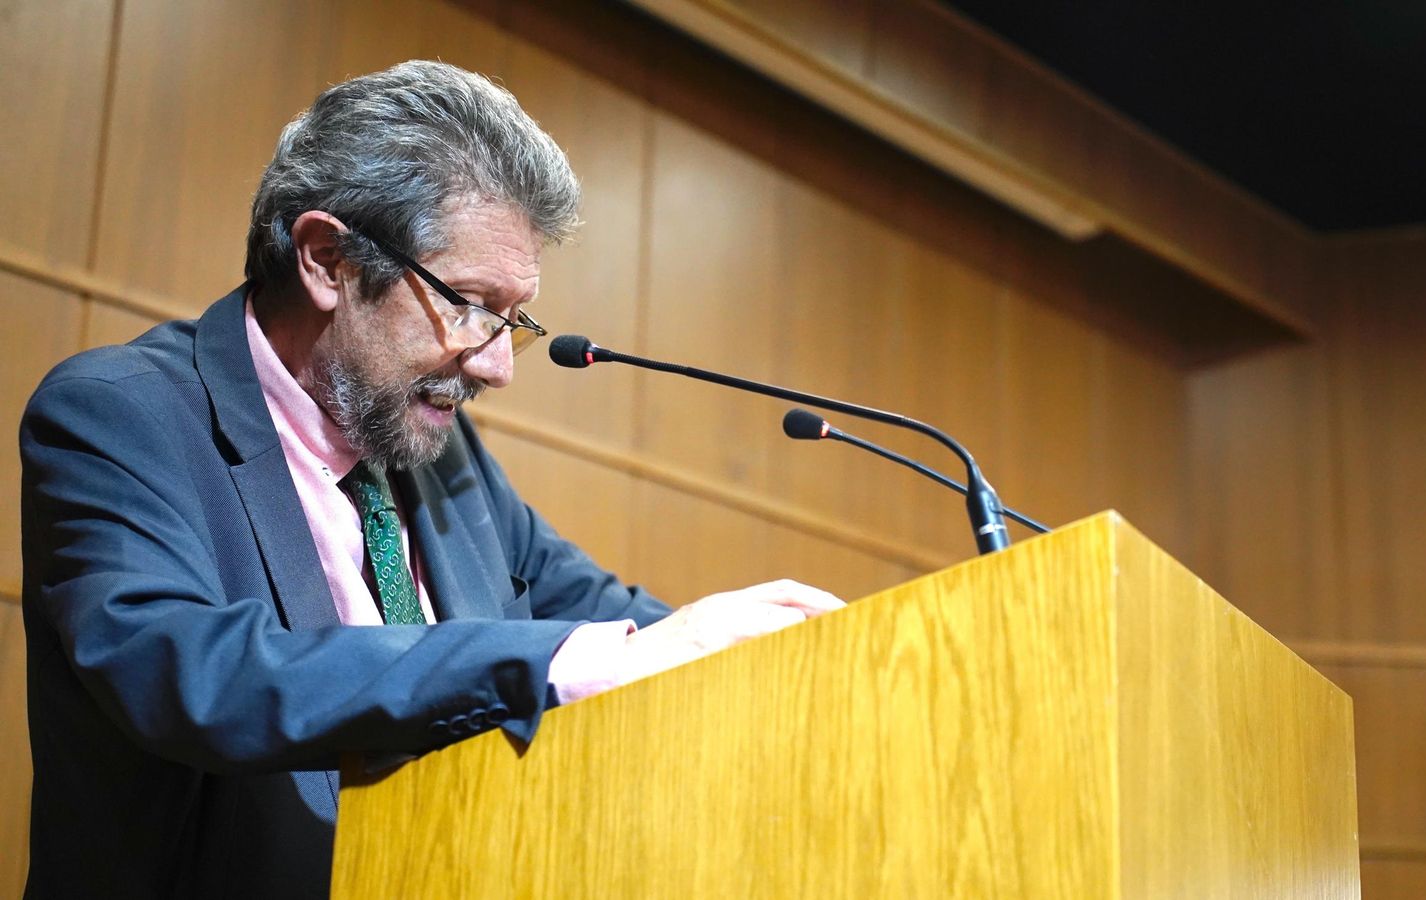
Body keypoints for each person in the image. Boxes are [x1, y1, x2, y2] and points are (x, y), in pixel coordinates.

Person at [18, 60, 843, 899]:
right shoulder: (120, 416)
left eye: (511, 321)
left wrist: (795, 663)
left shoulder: (444, 454)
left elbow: (607, 617)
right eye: (470, 305)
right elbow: (186, 675)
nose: (496, 365)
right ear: (326, 260)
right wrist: (560, 663)